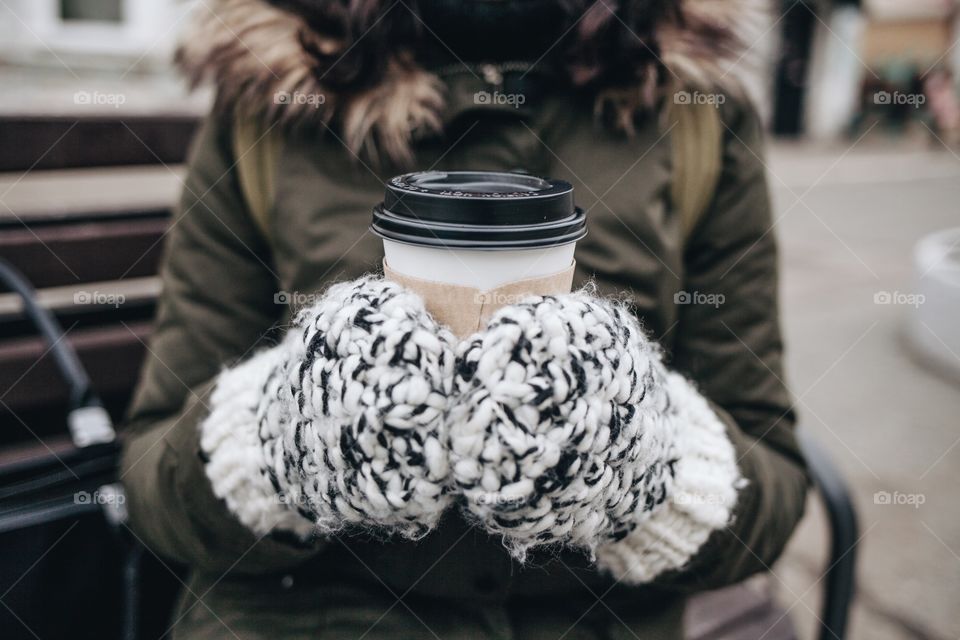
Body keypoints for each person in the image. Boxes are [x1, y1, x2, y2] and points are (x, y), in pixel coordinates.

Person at [122, 0, 809, 638]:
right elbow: (152, 479)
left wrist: (651, 460)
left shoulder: (695, 107)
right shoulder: (271, 95)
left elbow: (772, 484)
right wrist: (279, 436)